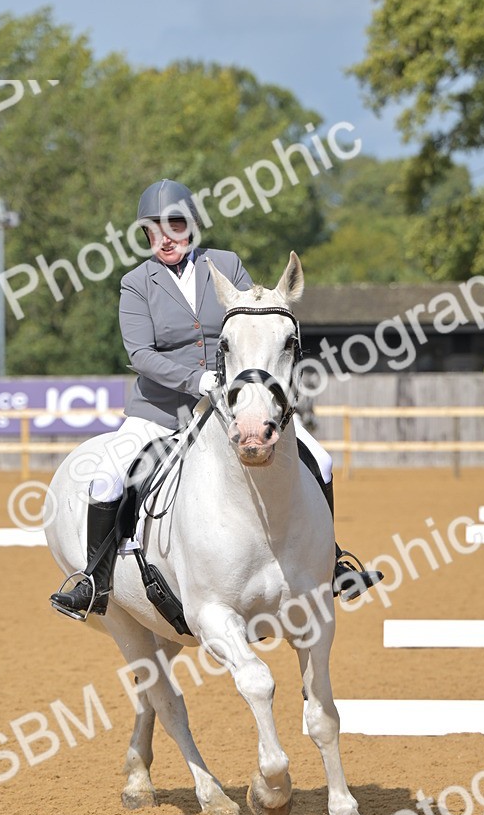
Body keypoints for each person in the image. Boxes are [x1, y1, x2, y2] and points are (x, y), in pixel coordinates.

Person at [50, 179, 381, 618]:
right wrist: (195, 380)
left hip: (232, 406)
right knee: (108, 478)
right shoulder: (137, 283)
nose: (166, 237)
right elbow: (140, 354)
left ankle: (332, 563)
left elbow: (254, 319)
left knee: (319, 460)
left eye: (175, 225)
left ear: (191, 226)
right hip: (160, 411)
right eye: (155, 229)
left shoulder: (224, 265)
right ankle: (96, 579)